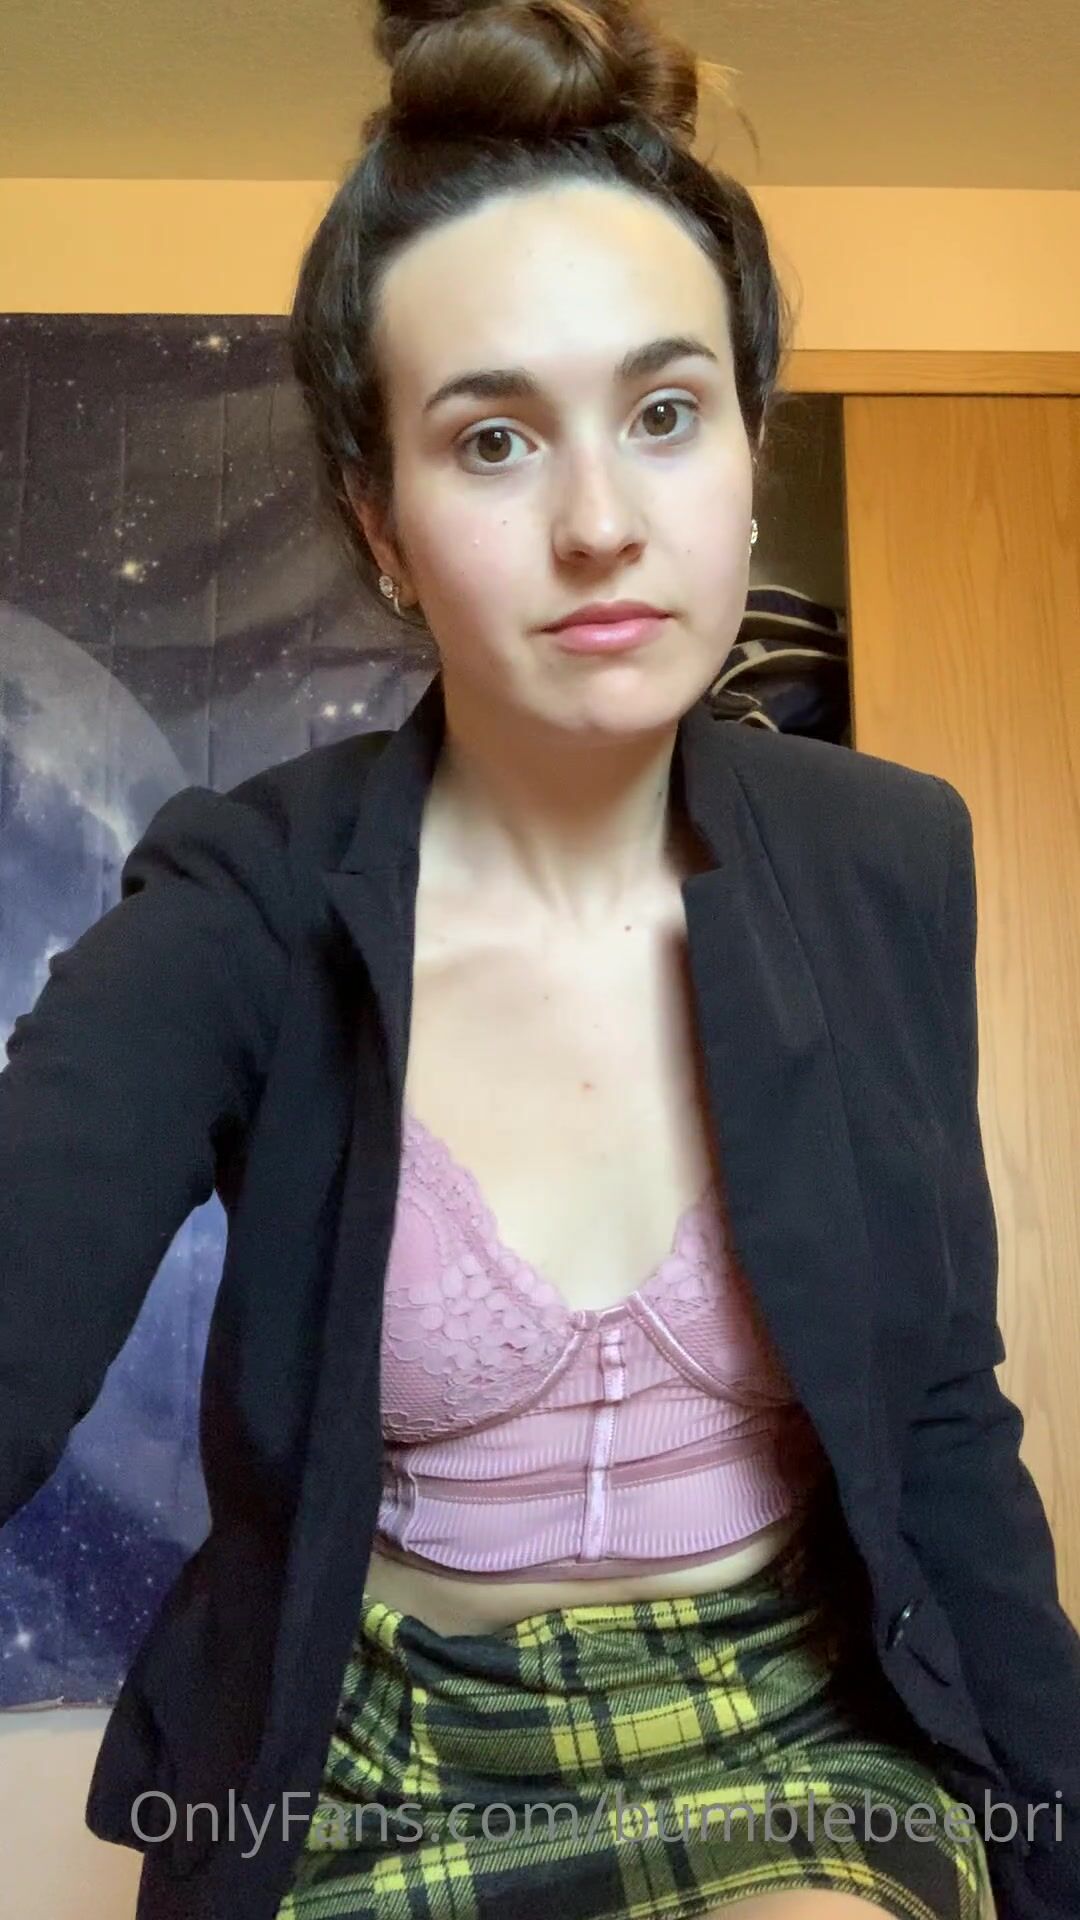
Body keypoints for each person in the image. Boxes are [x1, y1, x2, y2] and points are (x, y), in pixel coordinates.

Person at [2, 1, 1079, 1918]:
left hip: (791, 1719)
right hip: (371, 1747)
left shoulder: (887, 855)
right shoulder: (246, 904)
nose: (600, 524)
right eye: (491, 441)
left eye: (666, 414)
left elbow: (939, 1412)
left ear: (748, 445)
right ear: (383, 526)